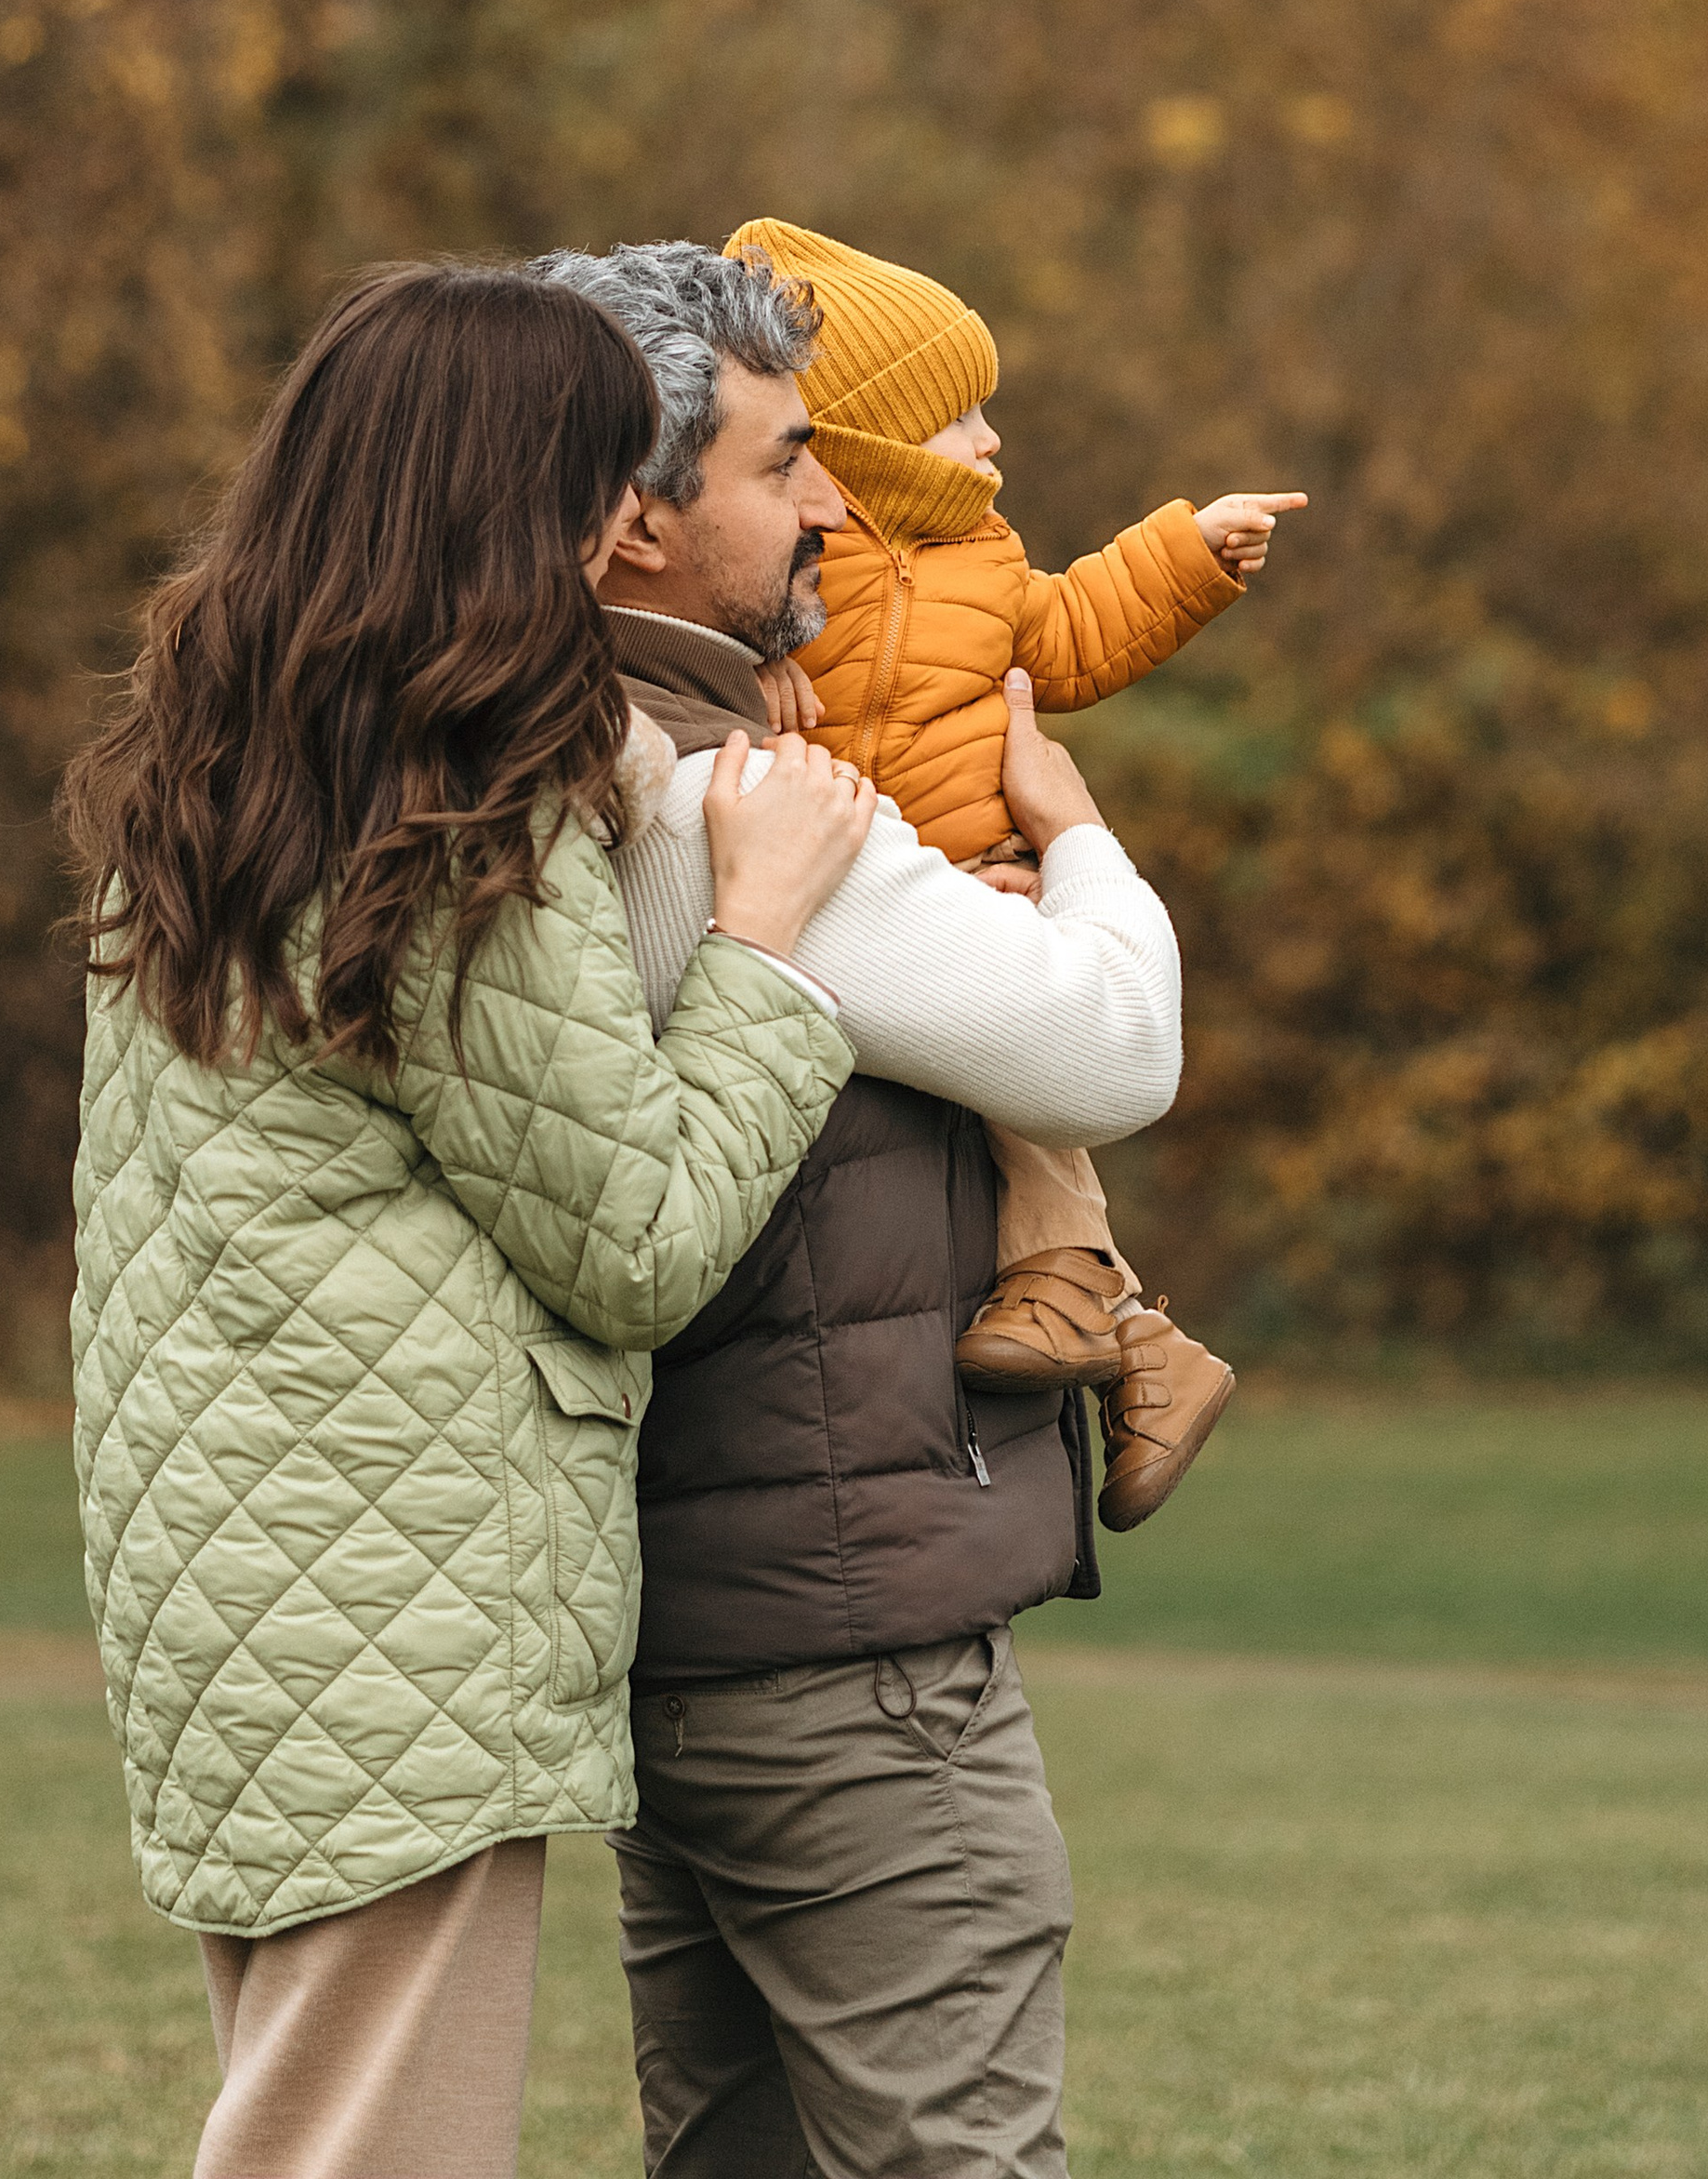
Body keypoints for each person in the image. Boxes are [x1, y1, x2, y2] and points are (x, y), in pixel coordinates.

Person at [63, 260, 873, 2179]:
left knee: (311, 2124)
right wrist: (762, 943)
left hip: (244, 1583)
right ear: (517, 504)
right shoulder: (461, 821)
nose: (621, 527)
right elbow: (639, 1239)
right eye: (600, 482)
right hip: (388, 1600)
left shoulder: (232, 763)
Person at [529, 238, 1189, 2179]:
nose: (830, 500)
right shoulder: (745, 802)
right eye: (780, 460)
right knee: (952, 2154)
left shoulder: (535, 749)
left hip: (669, 1620)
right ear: (631, 518)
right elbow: (1107, 1052)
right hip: (849, 1648)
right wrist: (1068, 828)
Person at [722, 215, 1306, 1528]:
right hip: (848, 865)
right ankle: (1139, 1341)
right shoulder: (787, 558)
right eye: (960, 419)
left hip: (972, 858)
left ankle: (1073, 1301)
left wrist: (1188, 560)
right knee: (966, 1093)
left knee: (1017, 1084)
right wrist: (749, 657)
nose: (991, 445)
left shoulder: (980, 565)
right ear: (862, 439)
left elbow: (1073, 632)